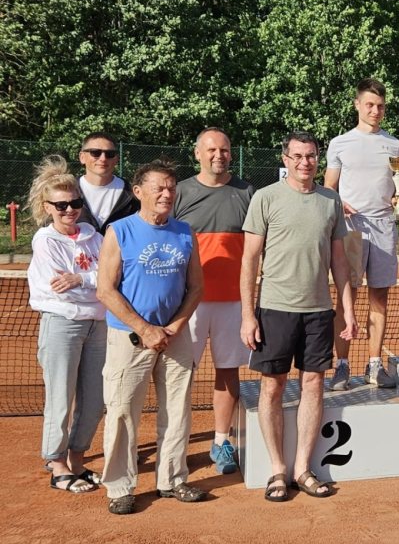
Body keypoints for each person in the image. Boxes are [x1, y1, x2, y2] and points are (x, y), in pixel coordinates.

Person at [240, 131, 357, 502]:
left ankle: (302, 469)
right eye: (298, 156)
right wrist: (248, 315)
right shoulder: (265, 197)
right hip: (274, 309)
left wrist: (348, 308)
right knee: (272, 386)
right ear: (285, 159)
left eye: (311, 156)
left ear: (318, 159)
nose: (305, 162)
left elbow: (339, 260)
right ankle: (277, 469)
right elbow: (249, 260)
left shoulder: (330, 200)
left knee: (313, 384)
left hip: (318, 312)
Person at [97, 159, 205, 515]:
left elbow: (196, 287)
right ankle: (120, 487)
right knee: (122, 411)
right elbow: (106, 290)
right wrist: (145, 329)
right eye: (158, 187)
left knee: (177, 410)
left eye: (171, 187)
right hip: (130, 338)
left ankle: (172, 480)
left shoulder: (185, 232)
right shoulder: (119, 231)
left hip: (175, 336)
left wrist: (174, 327)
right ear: (138, 191)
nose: (166, 193)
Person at [173, 127, 254, 474]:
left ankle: (221, 441)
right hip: (187, 301)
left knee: (227, 371)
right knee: (179, 373)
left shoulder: (247, 192)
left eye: (224, 149)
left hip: (234, 301)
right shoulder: (179, 192)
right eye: (211, 150)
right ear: (197, 153)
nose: (218, 155)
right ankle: (174, 445)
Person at [26, 155, 106, 493]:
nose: (69, 210)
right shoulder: (45, 241)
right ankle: (57, 463)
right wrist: (92, 282)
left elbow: (110, 276)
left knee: (96, 399)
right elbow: (61, 287)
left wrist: (81, 279)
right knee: (60, 397)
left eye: (74, 203)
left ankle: (77, 459)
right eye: (61, 205)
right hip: (62, 324)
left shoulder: (94, 236)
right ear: (47, 207)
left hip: (98, 325)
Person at [325, 78, 399, 390]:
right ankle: (342, 366)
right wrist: (339, 203)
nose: (375, 111)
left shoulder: (395, 145)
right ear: (357, 105)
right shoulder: (340, 143)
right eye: (370, 105)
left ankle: (374, 365)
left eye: (380, 106)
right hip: (351, 229)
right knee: (346, 297)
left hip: (384, 226)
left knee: (380, 298)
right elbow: (329, 188)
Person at [77, 132, 139, 233]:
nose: (103, 158)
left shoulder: (132, 193)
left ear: (116, 159)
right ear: (82, 157)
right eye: (95, 153)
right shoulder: (67, 190)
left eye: (110, 154)